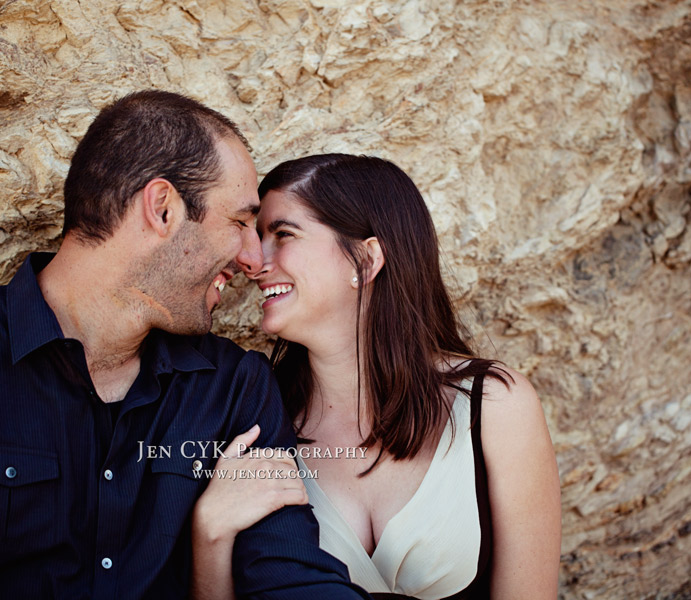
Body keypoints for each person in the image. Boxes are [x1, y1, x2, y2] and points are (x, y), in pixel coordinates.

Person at [0, 92, 371, 599]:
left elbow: (290, 578)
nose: (253, 260)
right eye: (239, 223)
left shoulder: (235, 389)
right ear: (163, 208)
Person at [191, 154, 562, 599]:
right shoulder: (260, 414)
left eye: (282, 234)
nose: (252, 262)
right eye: (255, 236)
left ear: (366, 260)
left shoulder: (492, 406)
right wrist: (209, 534)